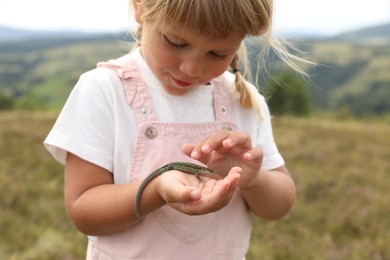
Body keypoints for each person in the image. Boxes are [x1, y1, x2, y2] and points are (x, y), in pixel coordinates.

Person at [44, 0, 302, 259]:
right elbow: (83, 211)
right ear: (140, 8)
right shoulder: (104, 90)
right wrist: (156, 190)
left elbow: (279, 205)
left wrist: (253, 179)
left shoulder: (243, 99)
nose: (191, 68)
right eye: (176, 43)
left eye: (217, 54)